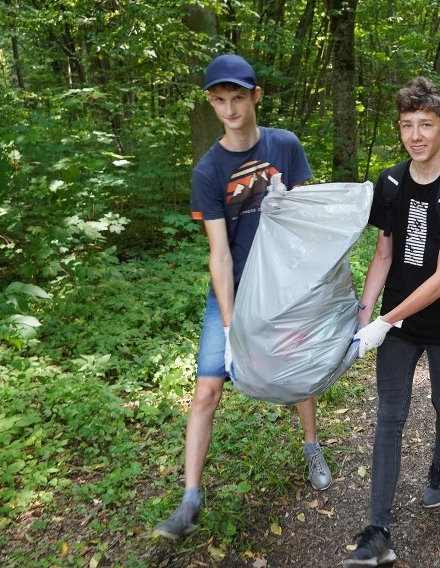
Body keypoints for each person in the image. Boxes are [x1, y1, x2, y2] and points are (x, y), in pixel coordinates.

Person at [153, 54, 332, 539]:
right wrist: (230, 327)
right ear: (211, 103)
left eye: (237, 98)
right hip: (233, 289)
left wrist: (309, 283)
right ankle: (190, 497)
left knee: (297, 371)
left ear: (255, 96)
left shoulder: (285, 146)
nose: (229, 109)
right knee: (207, 386)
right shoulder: (209, 170)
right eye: (219, 100)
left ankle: (312, 447)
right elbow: (220, 255)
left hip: (285, 287)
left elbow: (307, 222)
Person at [343, 77, 440, 567]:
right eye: (407, 125)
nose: (416, 134)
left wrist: (386, 319)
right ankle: (377, 530)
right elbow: (383, 252)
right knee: (390, 417)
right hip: (397, 322)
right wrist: (364, 314)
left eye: (426, 124)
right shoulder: (392, 182)